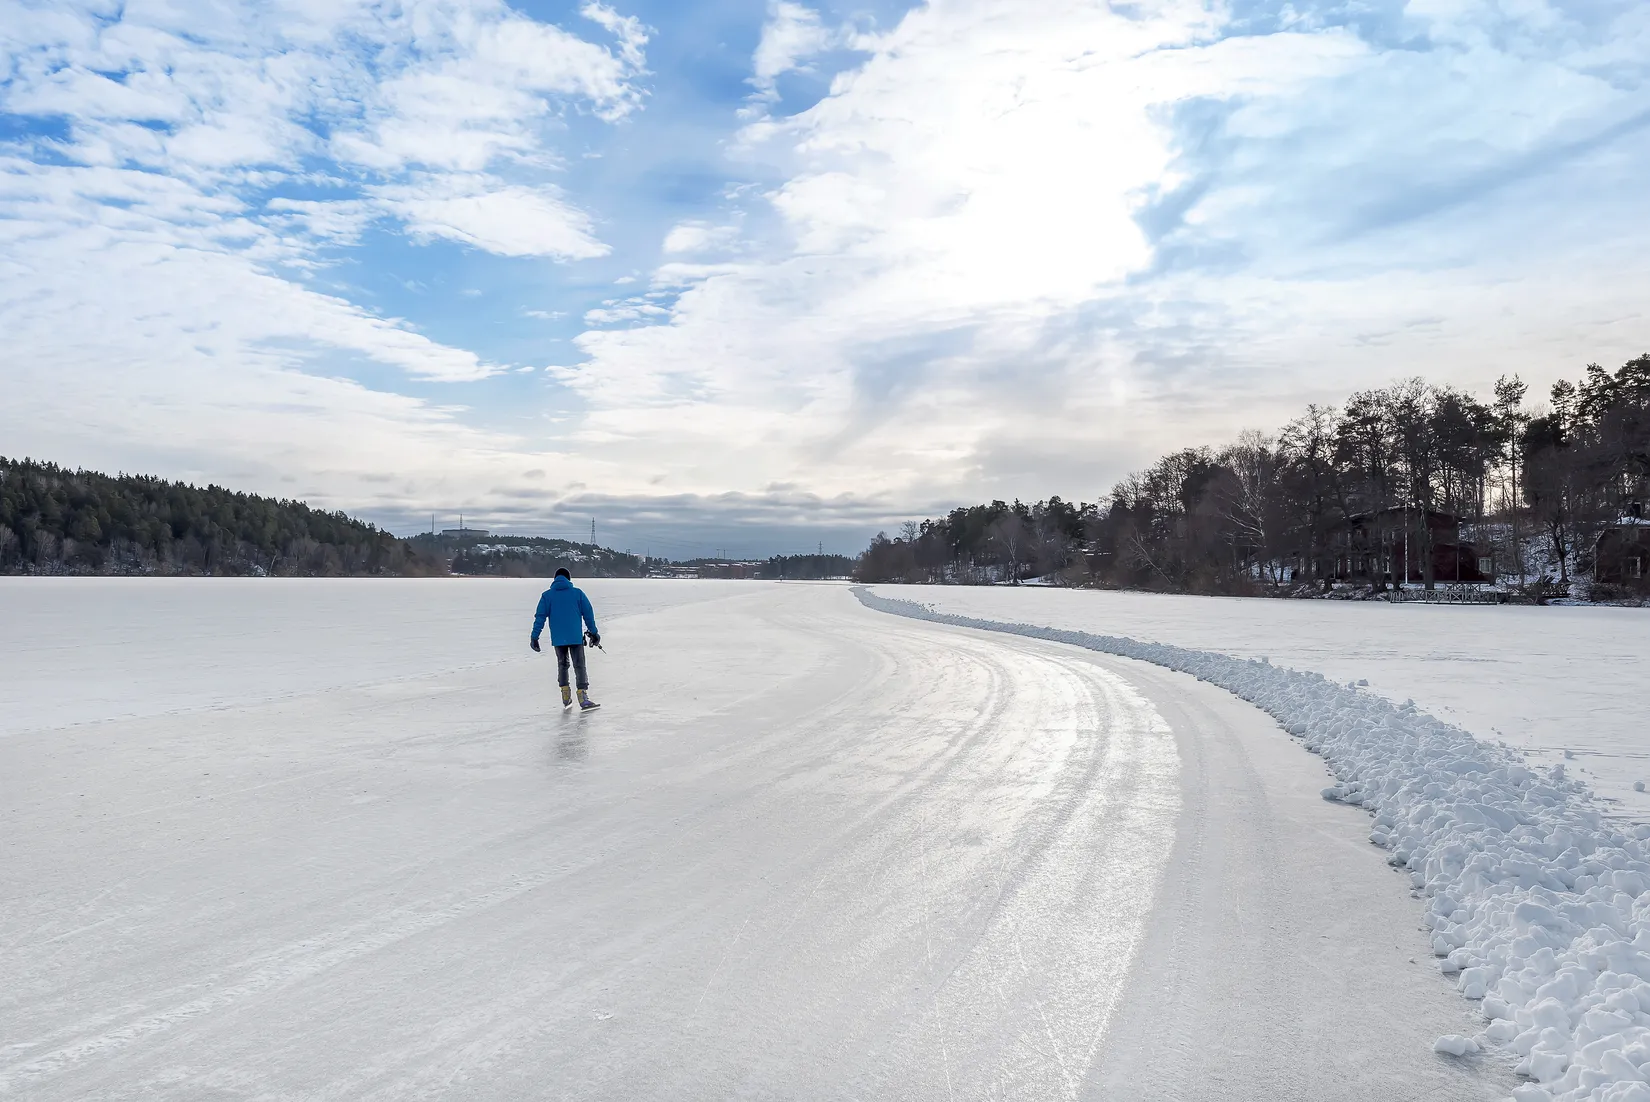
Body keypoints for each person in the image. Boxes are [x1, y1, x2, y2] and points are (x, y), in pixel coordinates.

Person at [530, 568, 601, 710]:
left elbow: (540, 617)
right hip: (575, 637)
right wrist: (594, 633)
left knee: (562, 664)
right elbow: (588, 614)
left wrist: (534, 636)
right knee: (579, 665)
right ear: (569, 579)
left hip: (558, 638)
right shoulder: (578, 594)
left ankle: (565, 696)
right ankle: (583, 697)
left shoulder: (547, 596)